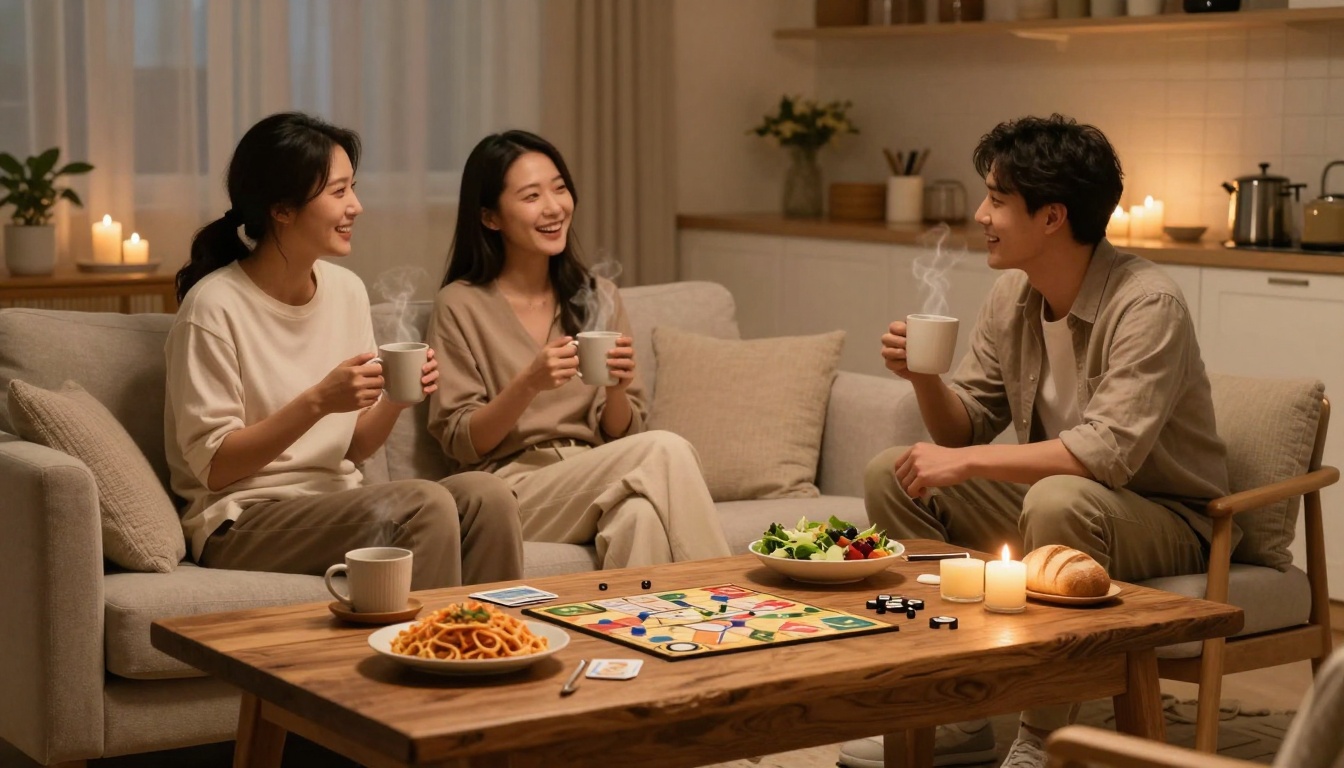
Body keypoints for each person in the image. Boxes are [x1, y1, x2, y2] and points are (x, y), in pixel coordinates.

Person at [840, 114, 1230, 768]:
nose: (980, 214)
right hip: (1060, 503)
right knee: (894, 473)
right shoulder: (1011, 297)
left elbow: (1104, 455)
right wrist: (924, 379)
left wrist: (965, 463)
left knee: (1058, 501)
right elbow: (962, 425)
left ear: (1052, 217)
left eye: (996, 199)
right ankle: (957, 707)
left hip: (1166, 515)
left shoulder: (1147, 304)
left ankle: (1042, 737)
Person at [165, 112, 523, 590]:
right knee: (426, 505)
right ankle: (433, 658)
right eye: (338, 192)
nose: (356, 206)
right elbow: (216, 468)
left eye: (353, 187)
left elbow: (353, 446)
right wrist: (318, 401)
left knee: (488, 496)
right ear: (283, 209)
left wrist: (398, 397)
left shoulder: (346, 291)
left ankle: (495, 647)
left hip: (336, 503)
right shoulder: (212, 307)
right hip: (243, 521)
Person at [426, 129, 731, 569]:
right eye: (531, 196)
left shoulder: (596, 293)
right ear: (491, 217)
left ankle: (645, 634)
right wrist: (529, 383)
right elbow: (463, 444)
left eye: (560, 188)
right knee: (664, 449)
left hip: (599, 470)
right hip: (514, 489)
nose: (554, 207)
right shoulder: (460, 304)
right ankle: (730, 596)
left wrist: (616, 390)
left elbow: (623, 435)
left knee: (641, 517)